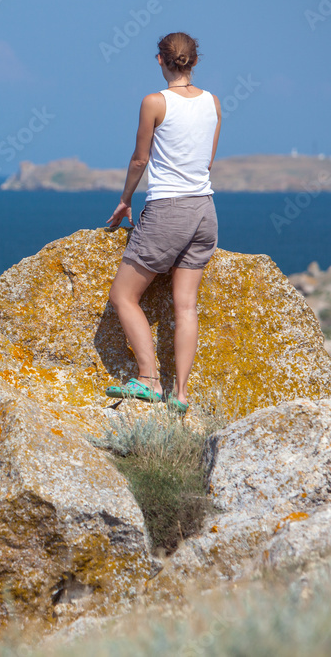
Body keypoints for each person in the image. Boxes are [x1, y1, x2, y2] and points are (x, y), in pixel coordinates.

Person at [103, 32, 221, 414]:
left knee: (123, 296)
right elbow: (206, 163)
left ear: (160, 60)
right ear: (195, 62)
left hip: (168, 208)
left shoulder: (154, 102)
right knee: (185, 306)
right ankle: (181, 395)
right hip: (205, 209)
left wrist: (125, 200)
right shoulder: (212, 102)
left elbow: (140, 159)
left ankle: (149, 380)